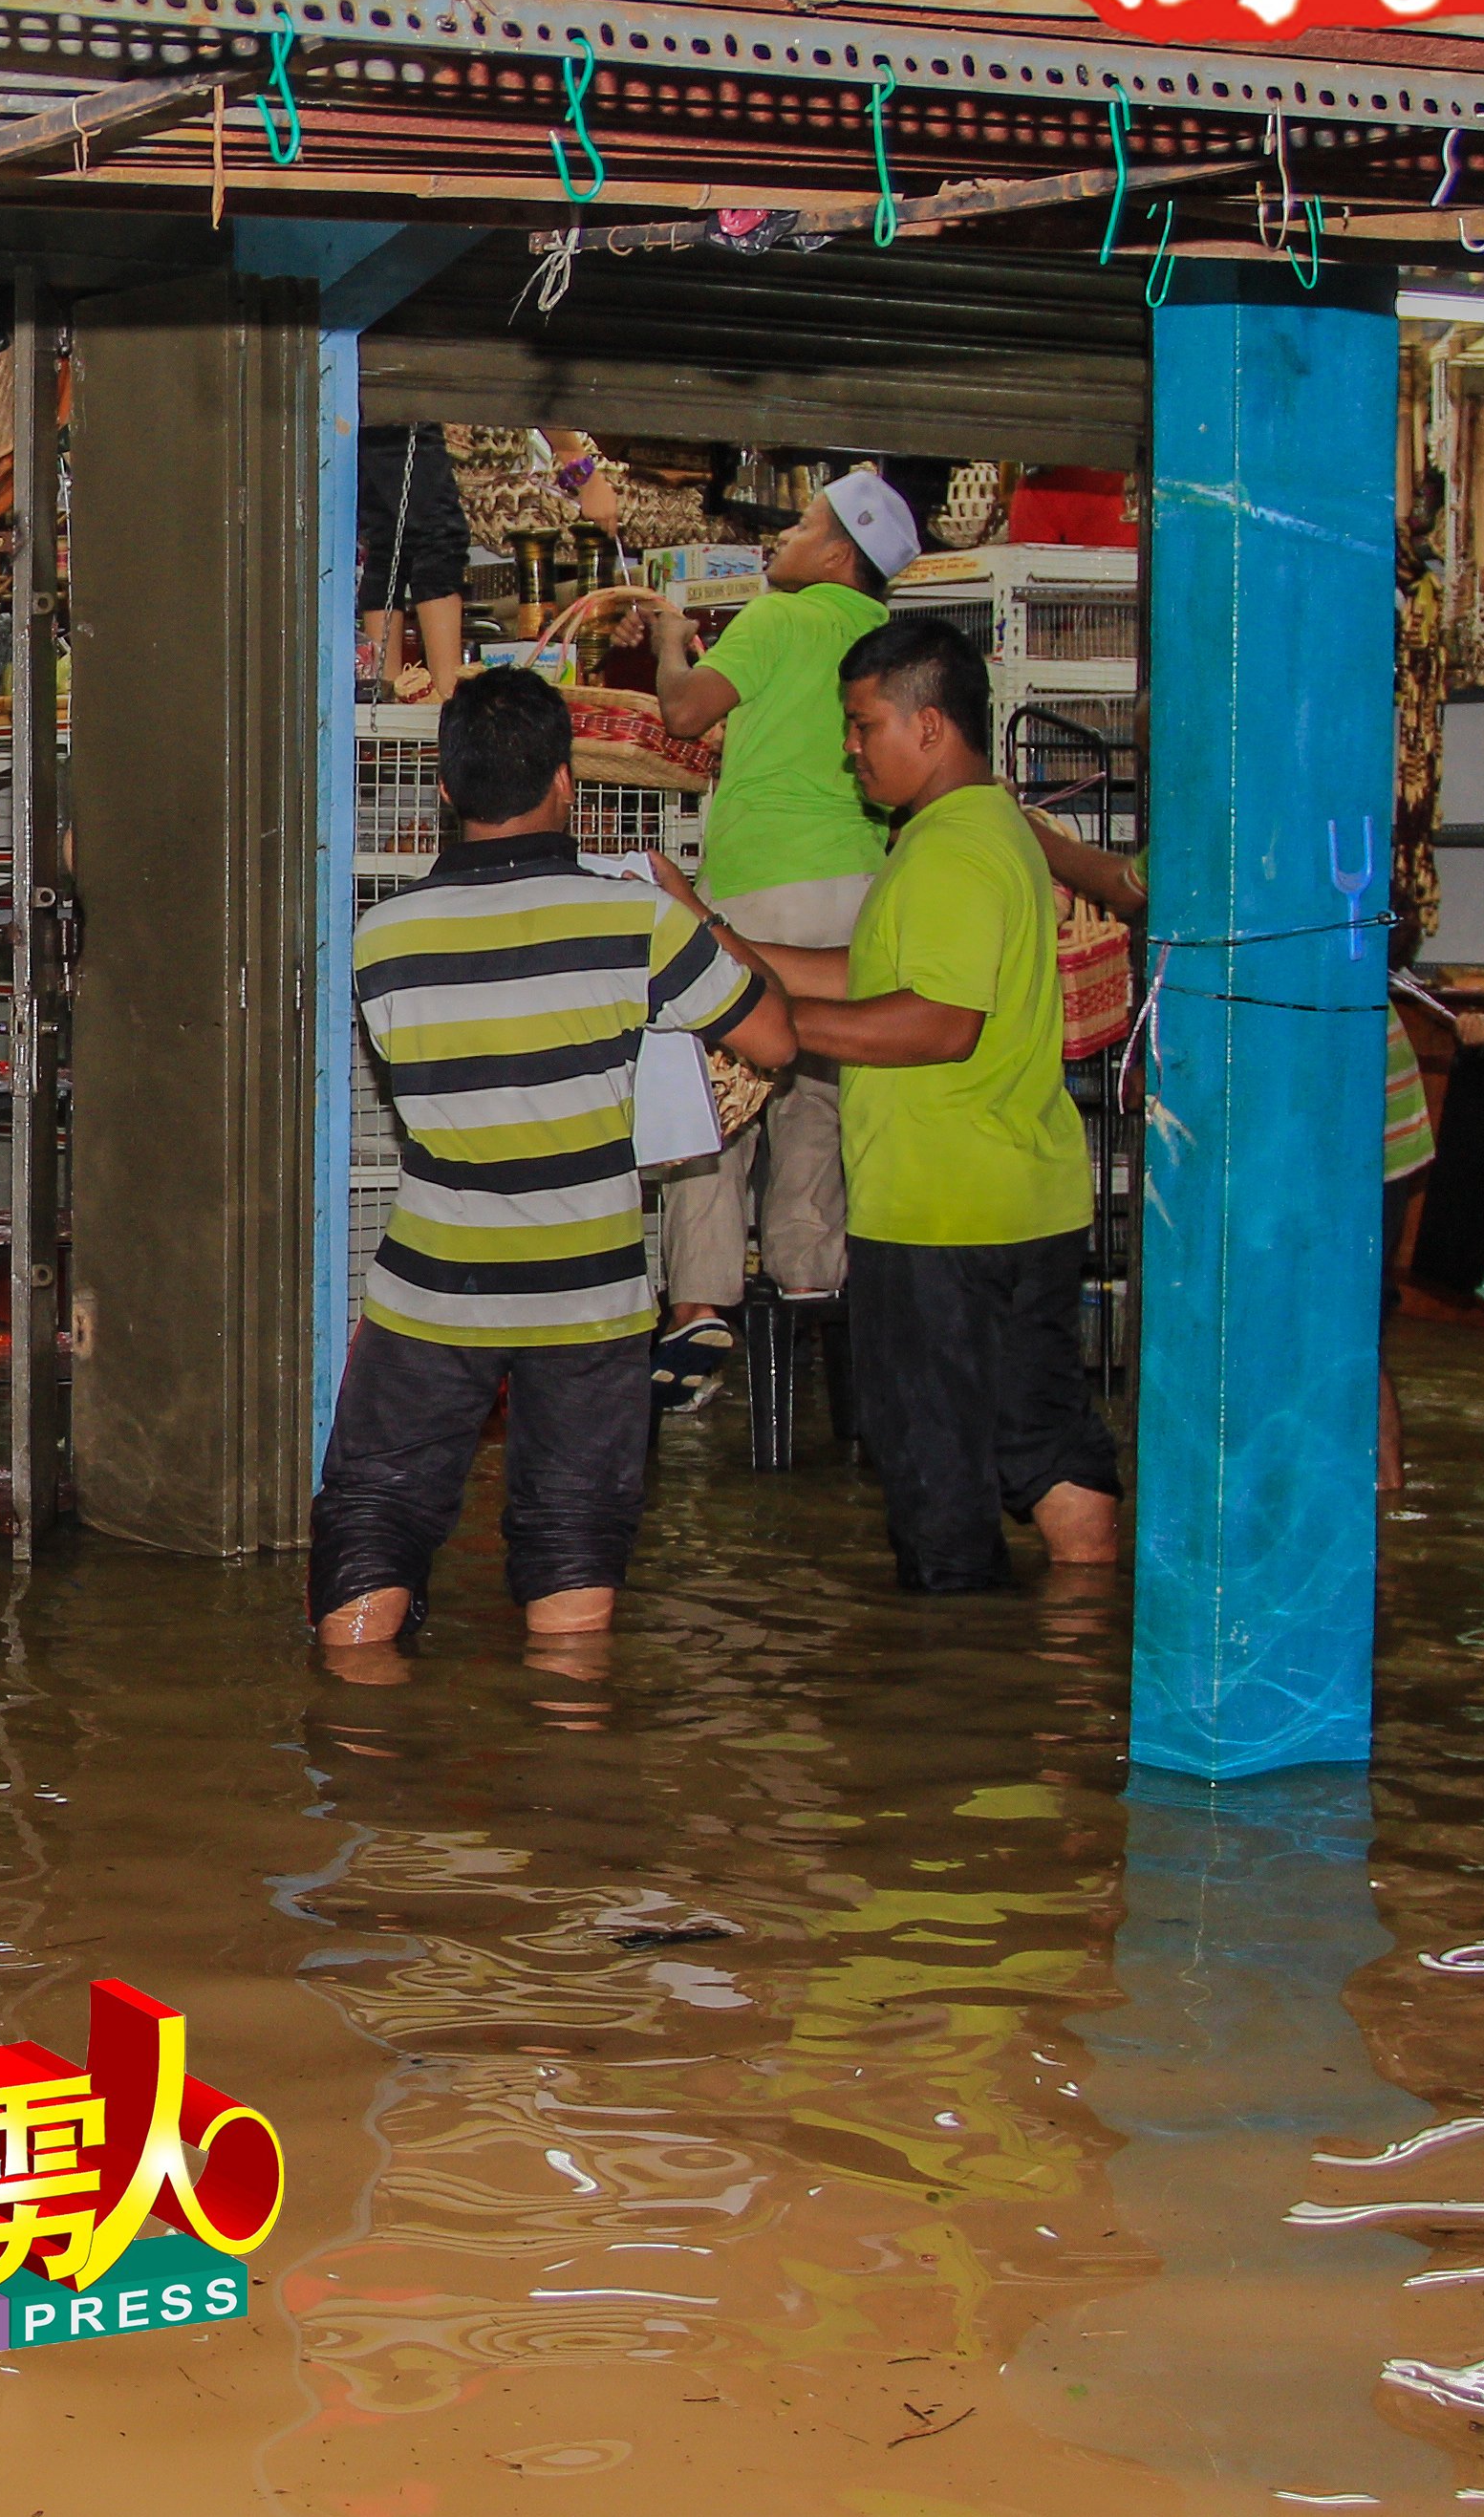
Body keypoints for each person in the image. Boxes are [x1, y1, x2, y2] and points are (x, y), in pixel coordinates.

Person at [313, 667, 793, 1668]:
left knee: (372, 1531)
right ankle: (567, 1772)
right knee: (575, 1559)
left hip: (435, 1290)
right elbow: (778, 1039)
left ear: (445, 791)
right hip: (592, 1294)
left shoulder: (381, 937)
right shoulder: (639, 926)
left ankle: (353, 1746)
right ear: (568, 784)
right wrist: (688, 908)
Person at [662, 613, 1119, 1592]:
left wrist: (778, 1030)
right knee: (1042, 1441)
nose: (850, 749)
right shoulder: (981, 831)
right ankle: (1081, 1650)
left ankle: (952, 1697)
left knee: (937, 1495)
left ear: (930, 727)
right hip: (1027, 1200)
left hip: (939, 1219)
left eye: (864, 726)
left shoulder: (949, 851)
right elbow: (859, 974)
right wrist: (715, 940)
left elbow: (937, 1023)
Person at [1026, 821, 1484, 1495]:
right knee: (1343, 1327)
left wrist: (1025, 828)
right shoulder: (1306, 852)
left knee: (1325, 1325)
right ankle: (1374, 1491)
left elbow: (1126, 891)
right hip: (1355, 1131)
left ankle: (1369, 1482)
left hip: (1338, 1136)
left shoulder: (1225, 840)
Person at [636, 463, 921, 1412]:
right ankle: (810, 1279)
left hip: (761, 893)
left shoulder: (775, 618)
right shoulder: (892, 642)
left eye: (801, 525)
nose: (783, 542)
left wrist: (673, 646)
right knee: (820, 1098)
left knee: (716, 1094)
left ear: (839, 551)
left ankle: (703, 1302)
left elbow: (684, 713)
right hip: (863, 890)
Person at [355, 423, 471, 706]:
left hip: (359, 400)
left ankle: (387, 696)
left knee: (388, 537)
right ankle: (448, 699)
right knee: (438, 534)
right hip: (397, 400)